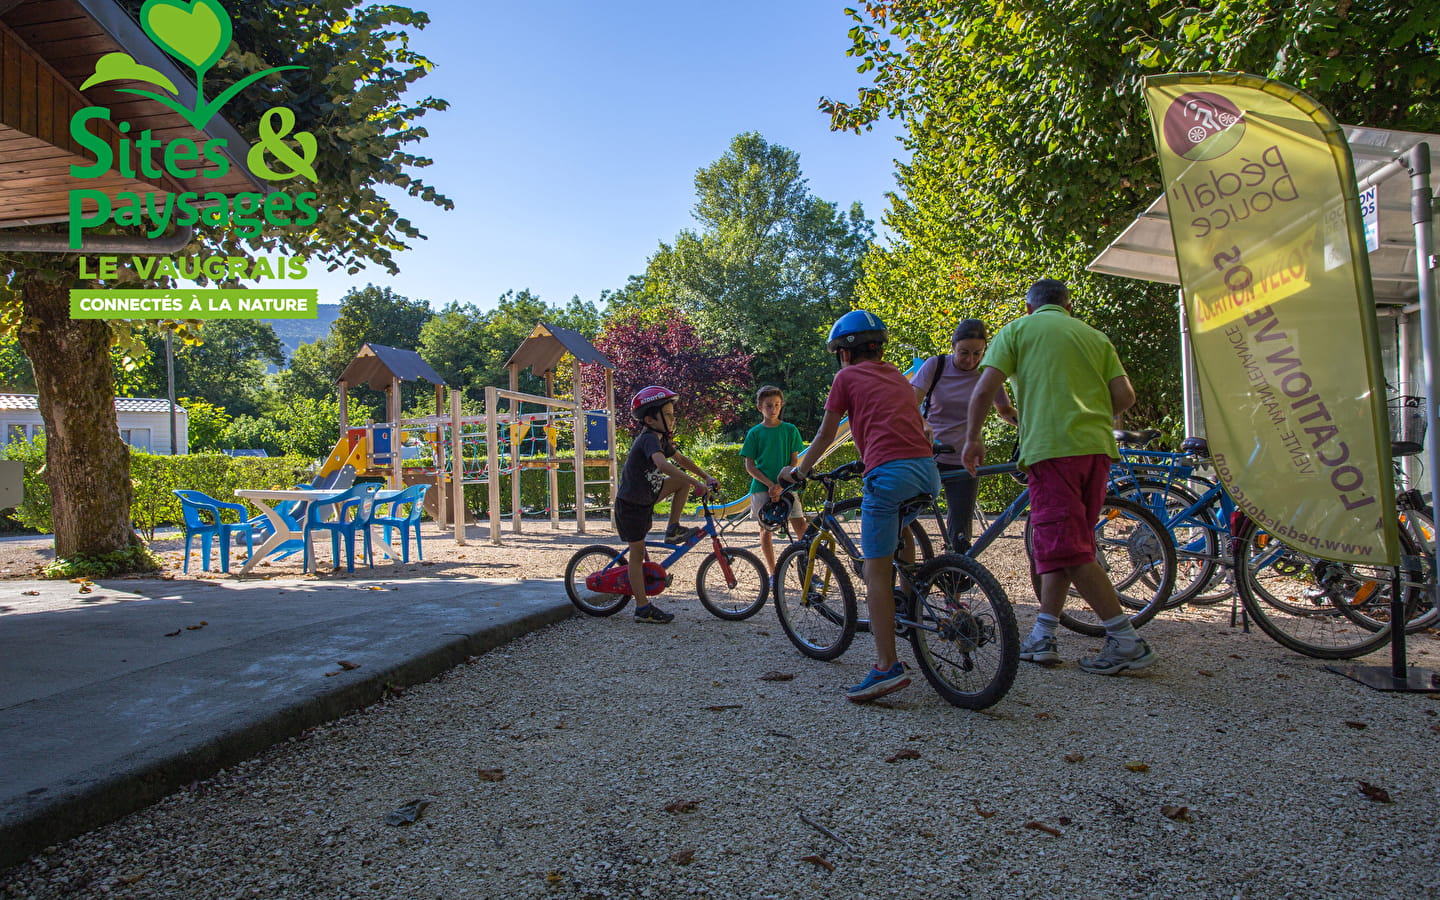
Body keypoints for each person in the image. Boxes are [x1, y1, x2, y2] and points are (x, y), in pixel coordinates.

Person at [960, 278, 1157, 674]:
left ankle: (1126, 641)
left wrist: (972, 440)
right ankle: (1043, 635)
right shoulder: (1094, 337)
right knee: (1063, 545)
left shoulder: (1017, 330)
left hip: (1052, 449)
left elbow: (984, 391)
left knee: (1069, 550)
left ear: (1029, 307)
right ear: (1068, 306)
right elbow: (1124, 398)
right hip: (1097, 450)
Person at [781, 311, 940, 702]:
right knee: (900, 525)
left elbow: (825, 433)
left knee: (874, 570)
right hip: (926, 471)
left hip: (888, 474)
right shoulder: (898, 378)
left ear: (844, 354)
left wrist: (800, 471)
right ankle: (908, 592)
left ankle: (887, 667)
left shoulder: (845, 378)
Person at [910, 319, 1018, 552]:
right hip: (930, 456)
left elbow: (1005, 410)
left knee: (960, 533)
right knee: (905, 517)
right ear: (953, 347)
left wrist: (1028, 425)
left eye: (978, 353)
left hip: (964, 460)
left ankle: (954, 582)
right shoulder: (935, 366)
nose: (971, 360)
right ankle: (908, 578)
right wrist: (924, 424)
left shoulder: (988, 373)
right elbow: (909, 403)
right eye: (964, 353)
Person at [615, 385, 718, 624]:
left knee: (679, 483)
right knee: (637, 554)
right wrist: (694, 482)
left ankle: (673, 529)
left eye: (673, 414)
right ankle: (642, 608)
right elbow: (662, 465)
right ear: (651, 419)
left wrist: (705, 477)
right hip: (631, 505)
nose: (673, 419)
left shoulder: (661, 437)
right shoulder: (649, 439)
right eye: (669, 415)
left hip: (647, 496)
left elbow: (680, 459)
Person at [740, 385, 808, 575]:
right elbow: (750, 465)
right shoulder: (754, 433)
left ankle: (807, 569)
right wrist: (771, 485)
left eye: (777, 405)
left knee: (801, 525)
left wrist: (783, 483)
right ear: (760, 407)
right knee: (766, 529)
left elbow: (794, 460)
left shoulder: (790, 430)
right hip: (762, 488)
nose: (773, 409)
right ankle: (773, 573)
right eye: (769, 405)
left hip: (787, 486)